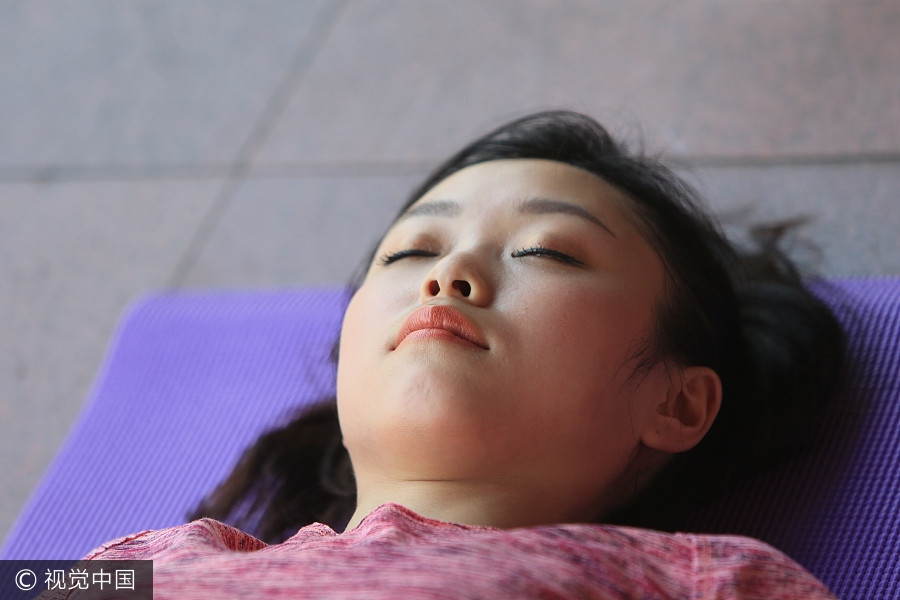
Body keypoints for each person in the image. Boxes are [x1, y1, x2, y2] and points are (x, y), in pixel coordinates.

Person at [74, 111, 844, 599]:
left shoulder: (712, 581)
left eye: (548, 251)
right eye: (410, 250)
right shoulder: (144, 562)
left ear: (677, 403)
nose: (447, 274)